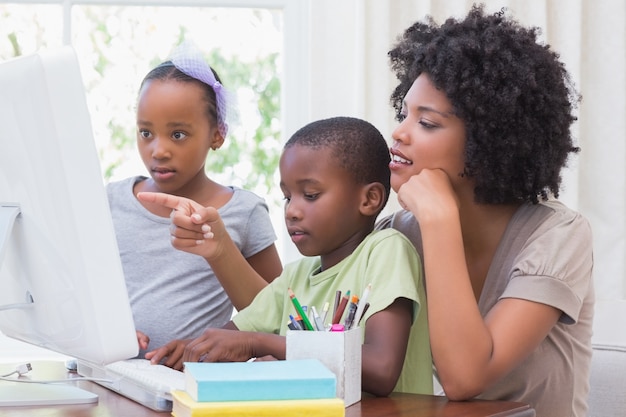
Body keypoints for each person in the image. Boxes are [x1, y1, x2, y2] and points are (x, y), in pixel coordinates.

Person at [376, 4, 594, 416]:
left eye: (428, 123)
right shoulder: (397, 234)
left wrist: (440, 219)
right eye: (405, 115)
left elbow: (465, 377)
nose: (398, 133)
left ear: (491, 141)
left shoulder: (559, 236)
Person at [138, 116, 433, 396]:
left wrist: (258, 344)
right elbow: (231, 339)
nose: (291, 210)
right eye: (287, 197)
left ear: (369, 199)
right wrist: (194, 349)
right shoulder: (295, 276)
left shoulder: (386, 250)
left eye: (311, 195)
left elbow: (381, 369)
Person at [106, 41, 282, 358]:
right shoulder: (110, 202)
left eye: (177, 135)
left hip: (194, 386)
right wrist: (109, 331)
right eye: (146, 133)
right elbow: (80, 297)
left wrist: (221, 250)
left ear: (217, 134)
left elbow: (278, 319)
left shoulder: (244, 212)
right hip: (115, 376)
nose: (158, 150)